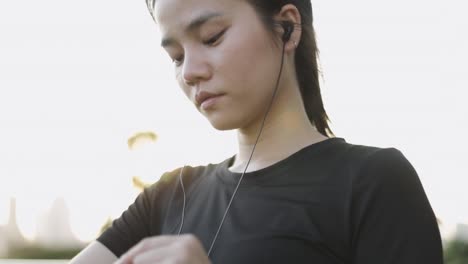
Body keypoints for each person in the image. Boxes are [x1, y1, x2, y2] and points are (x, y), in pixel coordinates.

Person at [70, 0, 443, 263]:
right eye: (176, 57)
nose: (189, 72)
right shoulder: (169, 196)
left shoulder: (374, 180)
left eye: (212, 36)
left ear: (287, 28)